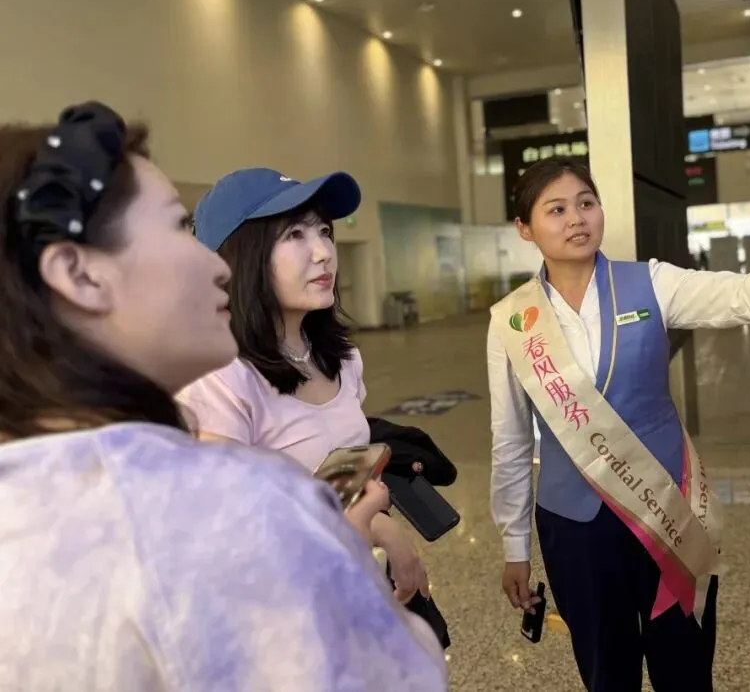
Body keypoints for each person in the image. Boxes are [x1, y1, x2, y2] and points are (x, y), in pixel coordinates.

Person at [0, 102, 448, 691]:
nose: (211, 265)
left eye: (324, 232)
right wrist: (342, 550)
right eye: (176, 227)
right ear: (79, 275)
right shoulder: (229, 499)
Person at [488, 137, 750, 692]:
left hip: (666, 510)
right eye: (556, 209)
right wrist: (515, 548)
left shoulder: (650, 282)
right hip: (575, 529)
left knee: (685, 668)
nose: (576, 218)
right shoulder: (513, 322)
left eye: (586, 202)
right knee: (606, 673)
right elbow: (509, 441)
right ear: (525, 228)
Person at [178, 167, 429, 603]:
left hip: (359, 586)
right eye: (295, 234)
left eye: (324, 232)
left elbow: (336, 489)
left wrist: (376, 524)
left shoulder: (343, 360)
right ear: (240, 256)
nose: (323, 252)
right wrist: (370, 524)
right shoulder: (218, 377)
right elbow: (227, 531)